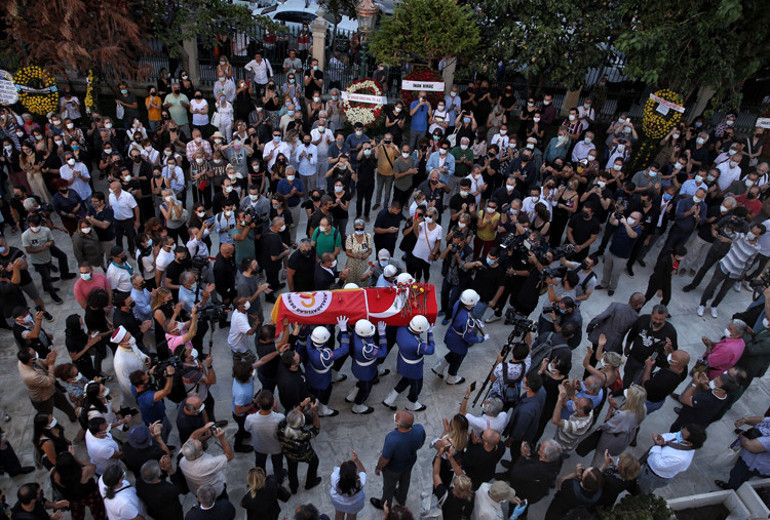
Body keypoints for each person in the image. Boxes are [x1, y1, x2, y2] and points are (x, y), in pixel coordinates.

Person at [370, 411, 426, 509]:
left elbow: (385, 459)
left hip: (393, 469)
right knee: (405, 481)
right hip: (409, 463)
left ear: (398, 424)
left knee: (389, 487)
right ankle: (401, 499)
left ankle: (385, 505)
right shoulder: (420, 429)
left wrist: (378, 467)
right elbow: (421, 444)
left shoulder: (392, 438)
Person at [433, 289, 488, 384]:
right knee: (457, 359)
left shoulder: (458, 303)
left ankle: (439, 367)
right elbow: (468, 338)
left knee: (453, 354)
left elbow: (465, 315)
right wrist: (482, 339)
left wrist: (475, 321)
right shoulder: (467, 321)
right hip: (459, 342)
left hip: (451, 334)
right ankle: (452, 377)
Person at [382, 315, 434, 412]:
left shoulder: (402, 328)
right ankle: (412, 403)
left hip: (403, 362)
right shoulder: (416, 344)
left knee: (406, 380)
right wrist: (430, 333)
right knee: (417, 386)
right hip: (413, 368)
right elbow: (431, 350)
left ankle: (390, 399)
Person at [638, 425, 707, 493]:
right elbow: (669, 436)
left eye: (681, 435)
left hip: (652, 475)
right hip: (649, 463)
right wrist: (662, 440)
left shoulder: (680, 459)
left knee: (642, 489)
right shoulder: (682, 438)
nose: (678, 434)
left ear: (689, 444)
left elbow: (658, 464)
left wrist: (657, 446)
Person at [590, 385, 647, 468]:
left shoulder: (623, 415)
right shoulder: (643, 409)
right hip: (625, 439)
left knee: (599, 460)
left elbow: (607, 424)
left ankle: (592, 475)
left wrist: (611, 408)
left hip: (611, 440)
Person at [17, 347, 78, 422]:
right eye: (34, 354)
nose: (36, 354)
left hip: (52, 390)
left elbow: (40, 362)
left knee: (65, 404)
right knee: (47, 417)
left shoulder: (24, 361)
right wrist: (51, 365)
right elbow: (50, 381)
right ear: (30, 360)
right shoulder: (31, 376)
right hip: (43, 399)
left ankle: (74, 417)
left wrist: (48, 359)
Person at [277, 400, 322, 494]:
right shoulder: (302, 435)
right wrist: (314, 412)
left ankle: (293, 487)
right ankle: (310, 482)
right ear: (301, 425)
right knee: (314, 462)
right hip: (303, 454)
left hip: (288, 453)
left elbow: (291, 417)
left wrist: (302, 404)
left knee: (292, 469)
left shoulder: (282, 425)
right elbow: (316, 429)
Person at [716, 415, 770, 489]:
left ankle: (730, 490)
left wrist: (741, 435)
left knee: (737, 476)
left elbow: (750, 445)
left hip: (753, 464)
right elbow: (762, 420)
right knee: (737, 474)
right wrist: (746, 420)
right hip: (750, 458)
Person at [179, 425, 235, 498]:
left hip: (198, 492)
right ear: (197, 455)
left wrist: (204, 429)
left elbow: (192, 436)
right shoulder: (207, 464)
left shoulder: (183, 458)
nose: (199, 442)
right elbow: (229, 456)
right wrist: (222, 437)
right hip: (215, 493)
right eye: (200, 447)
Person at [345, 320, 388, 414]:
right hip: (366, 371)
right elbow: (383, 353)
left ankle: (352, 396)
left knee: (362, 383)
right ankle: (358, 405)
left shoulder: (355, 335)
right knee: (366, 389)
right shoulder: (368, 348)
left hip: (357, 366)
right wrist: (382, 334)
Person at [50, 451, 107, 520]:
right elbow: (93, 467)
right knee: (97, 510)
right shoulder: (84, 472)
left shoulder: (55, 475)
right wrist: (76, 459)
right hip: (90, 495)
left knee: (77, 514)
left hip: (73, 499)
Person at [245, 390, 286, 479]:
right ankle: (278, 480)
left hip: (260, 446)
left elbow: (246, 428)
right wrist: (276, 410)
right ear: (273, 404)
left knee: (260, 465)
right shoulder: (280, 418)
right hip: (276, 447)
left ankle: (261, 480)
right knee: (278, 465)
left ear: (258, 404)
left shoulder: (250, 418)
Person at [430, 443, 473, 520]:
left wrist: (438, 456)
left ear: (455, 487)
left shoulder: (444, 494)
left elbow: (436, 474)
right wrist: (451, 458)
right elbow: (461, 475)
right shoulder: (467, 494)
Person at [552, 382, 593, 454]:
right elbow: (575, 398)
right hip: (564, 440)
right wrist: (571, 390)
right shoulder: (589, 411)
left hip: (562, 448)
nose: (575, 401)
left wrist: (560, 399)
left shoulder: (577, 425)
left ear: (581, 412)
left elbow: (555, 421)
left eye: (576, 403)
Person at [330, 451, 367, 520]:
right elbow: (363, 471)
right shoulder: (360, 482)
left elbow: (342, 470)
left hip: (337, 501)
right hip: (354, 503)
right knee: (352, 516)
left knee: (339, 514)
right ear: (355, 474)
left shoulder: (334, 478)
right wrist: (356, 460)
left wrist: (350, 462)